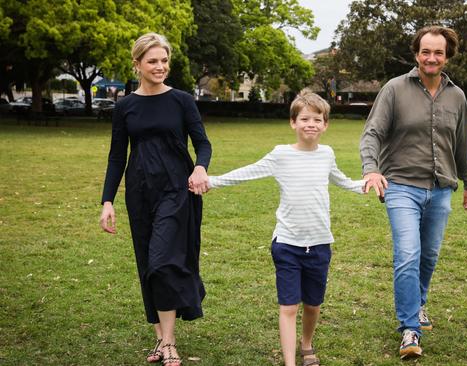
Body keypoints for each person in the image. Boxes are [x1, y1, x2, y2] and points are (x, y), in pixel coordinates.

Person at [204, 91, 366, 366]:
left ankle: (307, 345)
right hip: (287, 244)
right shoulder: (281, 155)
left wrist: (364, 185)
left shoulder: (327, 154)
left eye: (317, 119)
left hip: (319, 244)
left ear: (325, 125)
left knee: (312, 306)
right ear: (293, 122)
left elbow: (341, 180)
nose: (311, 124)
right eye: (305, 118)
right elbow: (248, 171)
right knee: (289, 306)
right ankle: (290, 362)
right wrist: (212, 181)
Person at [360, 25, 467, 359]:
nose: (431, 57)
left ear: (447, 55)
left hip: (441, 189)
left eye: (438, 52)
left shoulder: (457, 96)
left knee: (429, 255)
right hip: (400, 187)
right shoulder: (395, 89)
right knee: (408, 254)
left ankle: (419, 303)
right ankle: (409, 328)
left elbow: (461, 144)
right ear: (416, 54)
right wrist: (371, 167)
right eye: (425, 51)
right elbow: (372, 134)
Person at [99, 32, 211, 366]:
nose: (160, 67)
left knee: (163, 261)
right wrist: (107, 201)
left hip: (177, 189)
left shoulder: (182, 100)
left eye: (164, 60)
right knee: (148, 262)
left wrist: (201, 168)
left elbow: (202, 143)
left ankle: (170, 342)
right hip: (140, 191)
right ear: (137, 65)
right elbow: (117, 156)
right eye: (153, 61)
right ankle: (160, 340)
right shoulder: (125, 107)